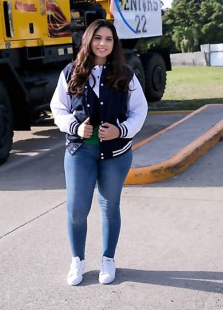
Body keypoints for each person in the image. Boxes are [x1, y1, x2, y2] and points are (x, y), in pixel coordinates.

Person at [50, 19, 148, 286]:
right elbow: (58, 107)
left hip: (116, 153)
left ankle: (108, 259)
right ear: (88, 40)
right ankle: (77, 261)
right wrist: (73, 126)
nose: (103, 44)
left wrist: (122, 130)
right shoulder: (71, 72)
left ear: (114, 44)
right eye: (98, 38)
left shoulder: (126, 74)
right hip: (80, 151)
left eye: (108, 39)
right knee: (76, 210)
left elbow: (140, 109)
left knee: (109, 207)